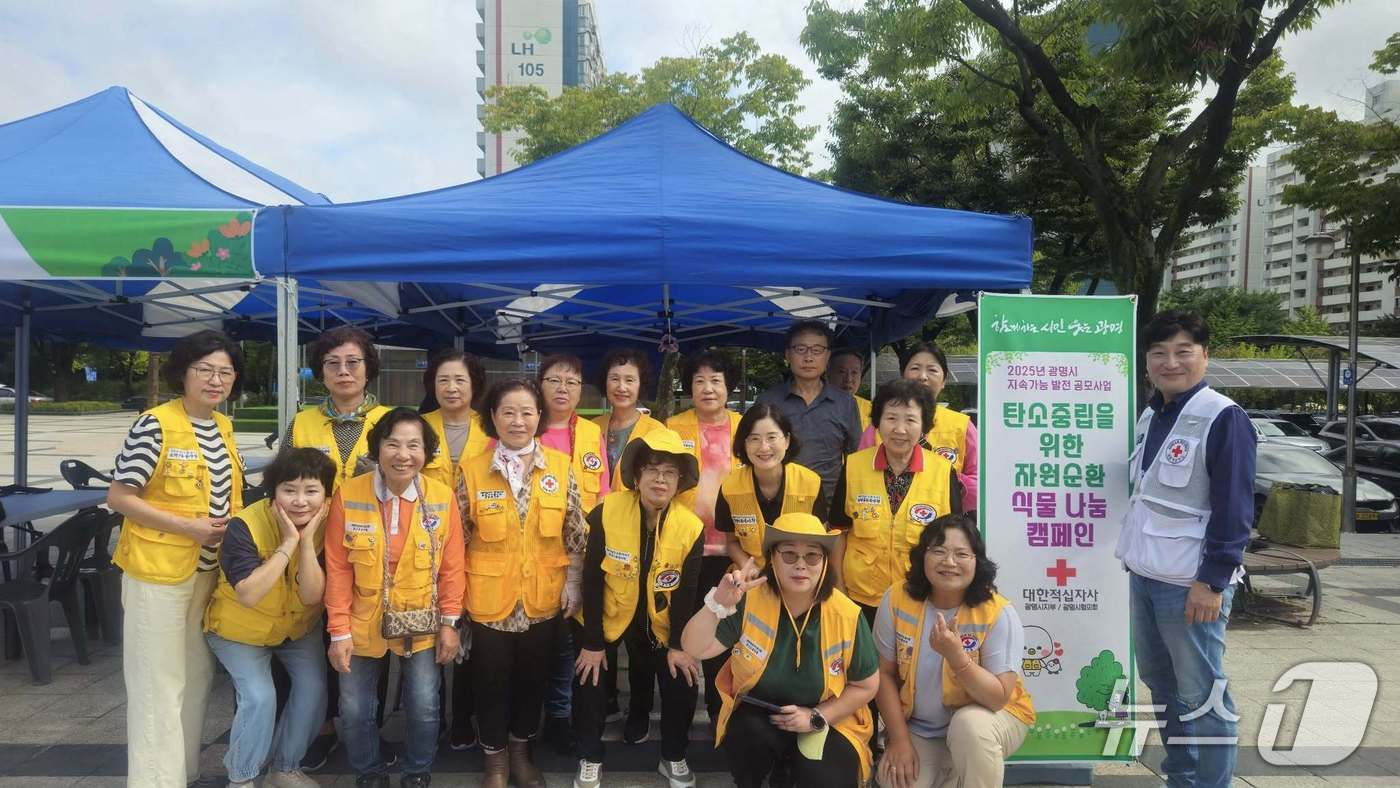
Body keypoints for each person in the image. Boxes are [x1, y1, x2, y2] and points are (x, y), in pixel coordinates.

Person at [1115, 310, 1253, 788]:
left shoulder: (1223, 416)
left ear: (1204, 355)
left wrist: (1212, 581)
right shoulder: (1153, 414)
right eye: (1158, 353)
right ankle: (1183, 777)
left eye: (1182, 351)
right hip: (1146, 576)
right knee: (1163, 685)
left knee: (1204, 694)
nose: (1170, 362)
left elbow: (1234, 508)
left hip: (1191, 584)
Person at [107, 329, 246, 788]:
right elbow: (120, 497)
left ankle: (180, 772)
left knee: (194, 677)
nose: (215, 379)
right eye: (204, 369)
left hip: (204, 574)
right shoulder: (155, 423)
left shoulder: (223, 426)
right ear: (182, 373)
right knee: (157, 686)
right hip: (158, 574)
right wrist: (188, 527)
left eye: (225, 371)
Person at [323, 408, 466, 788]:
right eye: (393, 444)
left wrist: (451, 625)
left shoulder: (441, 497)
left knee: (424, 704)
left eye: (413, 445)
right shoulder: (349, 495)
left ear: (426, 452)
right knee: (354, 709)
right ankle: (369, 774)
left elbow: (453, 567)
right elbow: (337, 569)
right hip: (361, 619)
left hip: (422, 618)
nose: (403, 455)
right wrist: (338, 632)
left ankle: (417, 772)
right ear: (377, 449)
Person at [681, 514, 879, 788]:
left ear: (824, 564)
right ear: (772, 559)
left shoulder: (847, 614)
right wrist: (716, 605)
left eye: (812, 557)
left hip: (827, 716)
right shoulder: (749, 601)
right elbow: (694, 647)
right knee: (746, 739)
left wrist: (816, 716)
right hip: (763, 713)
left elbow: (867, 686)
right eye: (789, 555)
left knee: (828, 779)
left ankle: (792, 768)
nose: (801, 565)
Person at [462, 378, 588, 788]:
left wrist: (573, 582)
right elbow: (455, 539)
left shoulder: (561, 467)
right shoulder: (471, 470)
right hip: (487, 600)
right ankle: (495, 761)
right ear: (493, 417)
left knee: (533, 681)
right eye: (508, 412)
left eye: (527, 412)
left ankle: (521, 753)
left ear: (540, 417)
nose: (518, 421)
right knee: (491, 683)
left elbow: (575, 532)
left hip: (543, 599)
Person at [284, 325, 394, 771]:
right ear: (320, 372)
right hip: (313, 546)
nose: (344, 371)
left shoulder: (391, 419)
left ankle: (370, 728)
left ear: (369, 369)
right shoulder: (303, 421)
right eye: (333, 363)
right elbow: (286, 481)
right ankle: (325, 728)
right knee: (318, 637)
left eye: (353, 362)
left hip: (372, 548)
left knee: (370, 639)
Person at [572, 429, 704, 788]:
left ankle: (673, 756)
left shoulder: (691, 527)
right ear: (637, 475)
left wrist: (679, 644)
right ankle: (589, 756)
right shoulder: (607, 511)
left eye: (670, 472)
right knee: (589, 674)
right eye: (652, 470)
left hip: (659, 622)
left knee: (685, 678)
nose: (660, 479)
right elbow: (592, 579)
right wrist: (593, 641)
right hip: (609, 616)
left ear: (680, 481)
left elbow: (687, 592)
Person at [204, 448, 338, 788]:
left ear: (327, 495)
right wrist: (288, 543)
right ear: (273, 491)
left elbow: (310, 596)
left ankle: (284, 768)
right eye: (288, 490)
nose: (300, 501)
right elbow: (248, 594)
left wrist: (307, 544)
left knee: (314, 690)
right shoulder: (245, 525)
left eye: (311, 491)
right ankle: (242, 778)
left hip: (297, 629)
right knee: (260, 697)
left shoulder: (330, 524)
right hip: (239, 631)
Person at [873, 513, 1035, 788]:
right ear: (922, 556)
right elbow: (884, 675)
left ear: (977, 561)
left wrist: (957, 657)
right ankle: (951, 773)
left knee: (969, 727)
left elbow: (997, 699)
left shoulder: (997, 612)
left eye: (961, 554)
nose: (949, 562)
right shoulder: (897, 598)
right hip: (921, 730)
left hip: (993, 719)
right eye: (939, 551)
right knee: (894, 780)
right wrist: (899, 740)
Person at [830, 380, 961, 615]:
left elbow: (954, 541)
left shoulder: (943, 471)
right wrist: (839, 587)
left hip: (921, 597)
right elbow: (839, 531)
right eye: (891, 418)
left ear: (924, 426)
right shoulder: (853, 466)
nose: (900, 429)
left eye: (910, 419)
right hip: (860, 599)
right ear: (878, 423)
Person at [666, 349, 742, 737]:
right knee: (683, 634)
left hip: (732, 553)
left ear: (729, 385)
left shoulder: (746, 428)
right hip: (682, 551)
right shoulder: (671, 428)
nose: (708, 388)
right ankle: (676, 719)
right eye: (699, 380)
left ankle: (719, 712)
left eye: (716, 380)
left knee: (723, 637)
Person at [536, 354, 610, 751]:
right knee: (535, 644)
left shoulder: (590, 432)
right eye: (555, 380)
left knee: (568, 643)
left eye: (572, 382)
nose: (563, 389)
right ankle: (528, 721)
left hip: (580, 555)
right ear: (540, 384)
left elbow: (604, 493)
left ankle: (560, 718)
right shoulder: (524, 424)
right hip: (532, 555)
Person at [417, 349, 489, 751]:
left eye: (460, 380)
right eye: (443, 380)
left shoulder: (491, 428)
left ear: (474, 384)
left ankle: (464, 717)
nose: (451, 387)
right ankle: (433, 720)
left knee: (470, 635)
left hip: (479, 547)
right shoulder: (417, 428)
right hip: (423, 548)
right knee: (432, 634)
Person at [859, 342, 978, 512]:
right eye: (915, 368)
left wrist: (944, 478)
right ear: (902, 375)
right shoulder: (879, 425)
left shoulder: (962, 426)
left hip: (941, 522)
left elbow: (979, 485)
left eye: (932, 370)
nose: (923, 376)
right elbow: (860, 474)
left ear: (944, 380)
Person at [756, 320, 863, 500]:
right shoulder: (768, 401)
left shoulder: (846, 403)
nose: (808, 357)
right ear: (788, 355)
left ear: (828, 356)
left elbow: (855, 459)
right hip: (777, 504)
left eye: (817, 350)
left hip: (829, 507)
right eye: (800, 349)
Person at [593, 347, 665, 490]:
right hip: (594, 510)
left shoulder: (656, 431)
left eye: (629, 380)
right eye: (614, 379)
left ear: (641, 385)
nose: (621, 387)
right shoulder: (593, 427)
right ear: (605, 382)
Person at [829, 348, 872, 430]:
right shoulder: (815, 408)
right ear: (828, 373)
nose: (848, 379)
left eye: (854, 372)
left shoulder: (872, 410)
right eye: (842, 372)